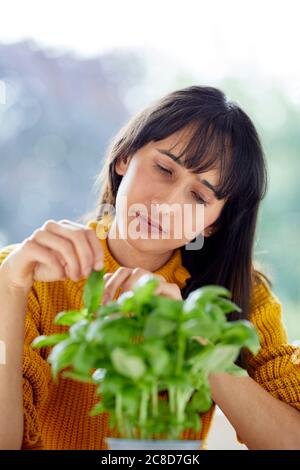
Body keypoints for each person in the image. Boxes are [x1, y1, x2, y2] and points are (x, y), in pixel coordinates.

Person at [0, 85, 299, 450]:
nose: (167, 202)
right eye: (164, 169)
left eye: (200, 195)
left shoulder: (236, 296)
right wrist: (11, 287)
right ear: (124, 158)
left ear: (213, 223)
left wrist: (197, 343)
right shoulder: (25, 273)